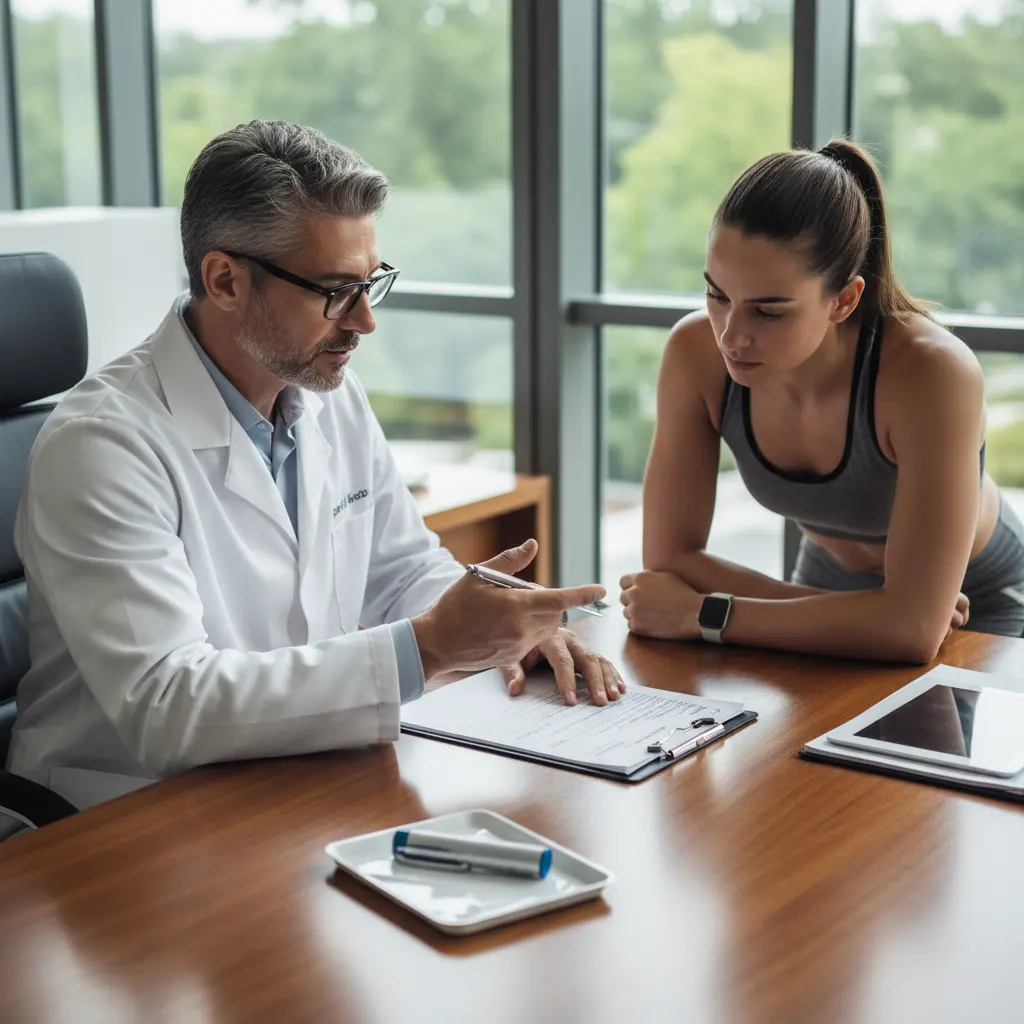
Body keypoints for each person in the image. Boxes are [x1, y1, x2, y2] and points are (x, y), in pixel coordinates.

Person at [9, 120, 622, 810]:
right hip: (124, 813)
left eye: (371, 284)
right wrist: (428, 649)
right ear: (226, 280)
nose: (364, 322)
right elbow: (166, 705)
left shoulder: (329, 395)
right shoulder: (101, 446)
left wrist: (506, 632)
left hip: (289, 781)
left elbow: (404, 569)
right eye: (336, 292)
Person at [621, 138, 1024, 662]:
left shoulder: (931, 373)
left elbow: (913, 635)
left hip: (981, 600)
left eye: (769, 312)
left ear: (845, 300)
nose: (731, 336)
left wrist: (706, 612)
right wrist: (870, 613)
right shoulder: (694, 354)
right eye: (718, 295)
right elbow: (671, 561)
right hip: (826, 584)